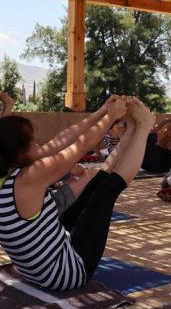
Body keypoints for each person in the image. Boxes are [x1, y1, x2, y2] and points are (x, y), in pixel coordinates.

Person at [0, 96, 154, 291]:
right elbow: (82, 144)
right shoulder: (28, 178)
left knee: (93, 186)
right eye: (32, 142)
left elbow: (62, 139)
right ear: (18, 154)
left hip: (39, 272)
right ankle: (143, 128)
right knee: (106, 191)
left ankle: (131, 131)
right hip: (66, 274)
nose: (38, 144)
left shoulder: (7, 174)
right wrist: (111, 117)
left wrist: (103, 111)